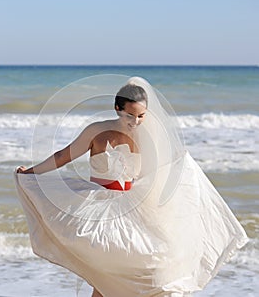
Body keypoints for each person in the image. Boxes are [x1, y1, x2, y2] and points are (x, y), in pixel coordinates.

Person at [14, 76, 248, 297]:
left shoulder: (150, 138)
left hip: (132, 208)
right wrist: (31, 173)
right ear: (117, 108)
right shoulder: (96, 130)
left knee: (145, 274)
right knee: (103, 275)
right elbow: (64, 155)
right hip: (98, 208)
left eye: (141, 116)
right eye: (130, 115)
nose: (135, 122)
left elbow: (158, 176)